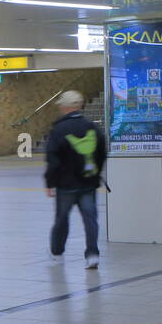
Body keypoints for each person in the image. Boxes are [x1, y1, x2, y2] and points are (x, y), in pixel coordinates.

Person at [44, 90, 107, 269]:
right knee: (90, 219)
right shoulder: (91, 126)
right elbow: (102, 152)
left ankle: (57, 253)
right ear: (79, 106)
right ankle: (92, 254)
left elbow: (52, 158)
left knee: (62, 219)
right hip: (88, 182)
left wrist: (50, 182)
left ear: (65, 107)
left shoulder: (58, 129)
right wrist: (96, 172)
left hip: (65, 185)